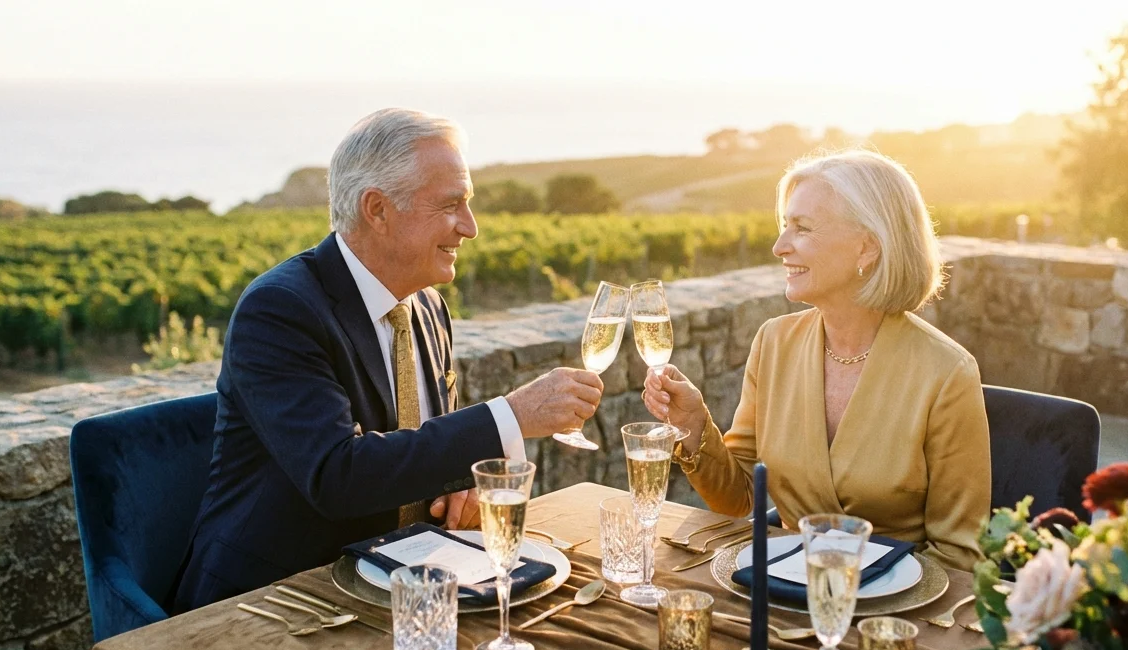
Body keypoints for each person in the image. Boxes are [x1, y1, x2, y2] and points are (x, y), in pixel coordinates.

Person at [173, 109, 603, 611]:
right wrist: (510, 416)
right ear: (377, 209)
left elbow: (420, 448)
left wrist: (459, 484)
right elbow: (338, 476)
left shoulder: (426, 306)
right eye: (451, 205)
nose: (471, 227)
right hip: (272, 603)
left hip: (397, 586)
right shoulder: (280, 311)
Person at [643, 149, 990, 570]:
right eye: (784, 226)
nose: (778, 246)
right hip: (785, 593)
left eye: (802, 229)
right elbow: (739, 498)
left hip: (893, 610)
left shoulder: (946, 372)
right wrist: (694, 425)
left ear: (867, 248)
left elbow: (957, 556)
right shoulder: (774, 342)